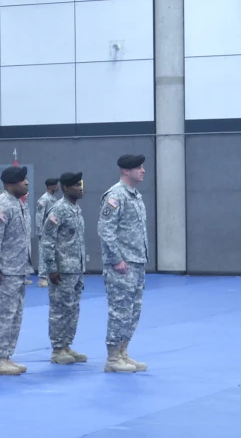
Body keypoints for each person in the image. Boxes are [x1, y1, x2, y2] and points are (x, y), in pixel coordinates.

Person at [97, 154, 150, 373]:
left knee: (132, 311)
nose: (143, 170)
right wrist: (116, 258)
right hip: (122, 264)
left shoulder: (135, 195)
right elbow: (105, 229)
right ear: (126, 171)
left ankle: (123, 352)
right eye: (138, 167)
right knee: (119, 311)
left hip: (136, 262)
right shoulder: (116, 195)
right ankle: (112, 358)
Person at [0, 166, 32, 375]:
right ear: (11, 183)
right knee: (2, 316)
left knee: (14, 316)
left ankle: (6, 356)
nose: (27, 182)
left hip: (17, 270)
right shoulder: (2, 206)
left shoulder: (17, 205)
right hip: (4, 272)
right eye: (22, 180)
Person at [40, 172, 87, 365]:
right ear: (66, 188)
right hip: (62, 270)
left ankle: (67, 345)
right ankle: (58, 349)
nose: (80, 188)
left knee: (72, 309)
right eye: (76, 185)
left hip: (76, 268)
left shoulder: (76, 209)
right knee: (60, 309)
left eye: (81, 184)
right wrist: (51, 268)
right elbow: (48, 240)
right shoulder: (57, 210)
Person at [34, 178, 59, 288]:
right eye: (55, 185)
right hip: (44, 232)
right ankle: (42, 278)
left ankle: (49, 275)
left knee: (51, 254)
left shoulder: (53, 198)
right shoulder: (44, 199)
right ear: (50, 186)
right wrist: (40, 231)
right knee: (43, 253)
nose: (57, 187)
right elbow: (39, 216)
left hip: (52, 232)